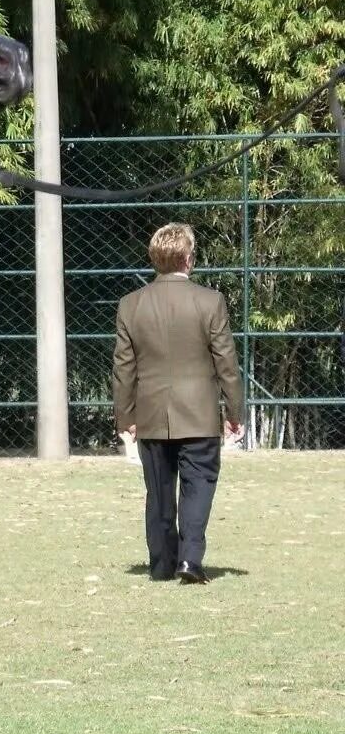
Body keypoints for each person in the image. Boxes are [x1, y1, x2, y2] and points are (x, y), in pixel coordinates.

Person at [112, 223, 244, 584]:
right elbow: (226, 364)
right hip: (200, 415)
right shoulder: (209, 301)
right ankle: (190, 560)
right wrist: (235, 413)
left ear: (155, 258)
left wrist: (125, 416)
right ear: (188, 259)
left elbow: (124, 369)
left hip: (151, 415)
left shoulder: (130, 305)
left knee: (158, 492)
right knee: (198, 485)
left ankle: (161, 565)